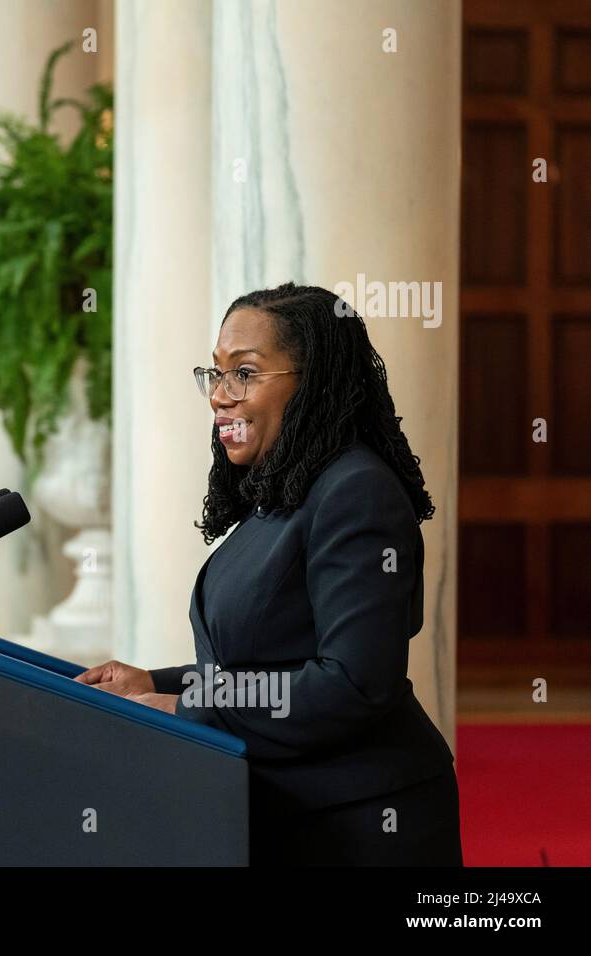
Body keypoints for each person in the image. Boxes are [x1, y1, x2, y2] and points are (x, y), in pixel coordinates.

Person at [76, 281, 463, 866]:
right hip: (287, 813)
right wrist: (155, 682)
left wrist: (186, 709)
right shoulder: (284, 494)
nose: (220, 396)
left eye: (245, 373)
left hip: (362, 824)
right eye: (216, 374)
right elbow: (261, 665)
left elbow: (352, 685)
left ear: (313, 384)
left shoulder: (357, 494)